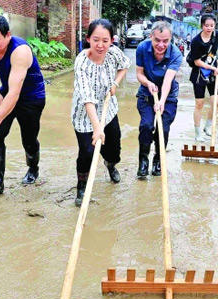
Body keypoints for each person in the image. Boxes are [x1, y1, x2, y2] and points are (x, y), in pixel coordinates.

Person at [0, 15, 46, 197]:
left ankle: (33, 169)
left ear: (8, 35)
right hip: (6, 92)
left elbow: (15, 94)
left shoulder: (20, 51)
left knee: (29, 139)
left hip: (31, 97)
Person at [71, 19, 130, 206]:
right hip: (84, 115)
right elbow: (87, 97)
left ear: (111, 40)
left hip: (108, 109)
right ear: (88, 39)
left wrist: (115, 83)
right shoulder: (81, 62)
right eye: (96, 40)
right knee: (87, 152)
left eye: (105, 41)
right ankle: (82, 186)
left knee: (114, 150)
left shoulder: (113, 53)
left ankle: (110, 164)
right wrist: (97, 128)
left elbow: (125, 65)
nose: (100, 45)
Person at [135, 20, 183, 178]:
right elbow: (139, 74)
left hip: (167, 96)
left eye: (165, 41)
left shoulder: (175, 53)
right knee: (147, 125)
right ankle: (143, 161)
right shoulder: (142, 48)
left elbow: (168, 79)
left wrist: (162, 101)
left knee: (163, 128)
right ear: (151, 37)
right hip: (146, 93)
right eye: (157, 40)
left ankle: (158, 160)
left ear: (170, 40)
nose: (161, 45)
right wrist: (148, 83)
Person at [188, 13, 218, 141]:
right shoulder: (196, 41)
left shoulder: (217, 35)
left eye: (212, 25)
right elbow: (197, 62)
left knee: (216, 102)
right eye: (206, 25)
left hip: (213, 73)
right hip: (199, 74)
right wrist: (212, 68)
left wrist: (215, 65)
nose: (209, 28)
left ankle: (207, 127)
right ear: (202, 25)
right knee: (199, 104)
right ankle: (197, 133)